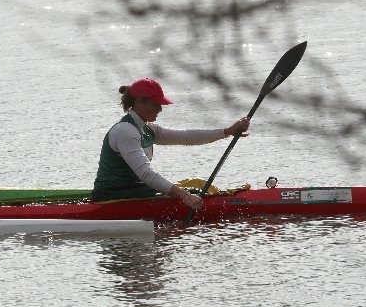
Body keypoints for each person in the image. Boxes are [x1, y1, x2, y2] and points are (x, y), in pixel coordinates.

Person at [92, 77, 250, 211]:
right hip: (113, 196)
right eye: (156, 104)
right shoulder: (125, 131)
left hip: (135, 191)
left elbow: (187, 136)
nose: (160, 109)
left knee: (196, 184)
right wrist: (185, 196)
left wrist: (227, 131)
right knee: (194, 190)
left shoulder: (147, 129)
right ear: (140, 102)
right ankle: (235, 204)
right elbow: (146, 174)